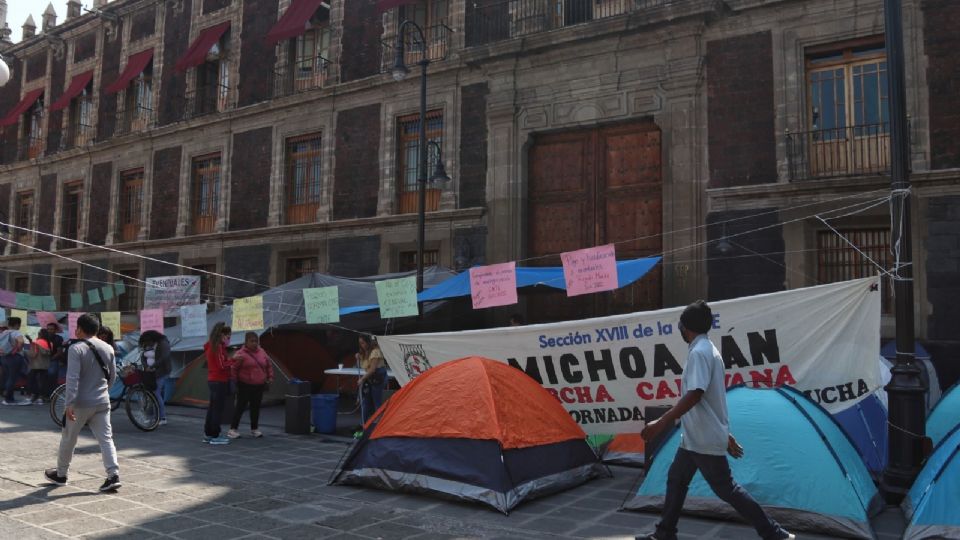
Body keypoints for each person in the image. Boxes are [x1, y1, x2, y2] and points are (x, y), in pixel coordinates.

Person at [637, 301, 794, 540]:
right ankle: (665, 533)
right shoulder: (707, 349)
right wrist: (725, 433)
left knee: (727, 489)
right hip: (695, 436)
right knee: (676, 479)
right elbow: (714, 400)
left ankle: (773, 533)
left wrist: (662, 422)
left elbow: (696, 393)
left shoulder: (700, 353)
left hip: (702, 438)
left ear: (685, 327)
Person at [44, 313, 121, 492]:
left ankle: (61, 474)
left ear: (80, 329)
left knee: (69, 438)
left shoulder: (76, 348)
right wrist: (103, 392)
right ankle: (113, 475)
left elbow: (72, 378)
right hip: (102, 402)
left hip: (80, 403)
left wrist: (69, 403)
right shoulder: (108, 347)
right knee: (106, 439)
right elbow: (112, 376)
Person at [227, 332, 273, 439]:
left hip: (259, 385)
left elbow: (268, 365)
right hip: (245, 384)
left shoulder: (262, 352)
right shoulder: (241, 354)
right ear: (246, 342)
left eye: (256, 341)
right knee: (240, 407)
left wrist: (270, 377)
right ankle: (232, 430)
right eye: (251, 341)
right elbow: (234, 368)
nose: (254, 343)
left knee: (255, 407)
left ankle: (254, 429)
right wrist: (235, 381)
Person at [203, 323, 233, 445]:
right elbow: (222, 365)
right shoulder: (218, 347)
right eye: (228, 336)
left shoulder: (210, 346)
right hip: (219, 380)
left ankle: (208, 434)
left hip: (213, 379)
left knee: (212, 409)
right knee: (217, 409)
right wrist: (233, 360)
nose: (229, 339)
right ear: (222, 335)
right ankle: (215, 434)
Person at [139, 330, 172, 426]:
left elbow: (164, 358)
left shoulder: (163, 343)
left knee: (156, 393)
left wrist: (152, 366)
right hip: (151, 372)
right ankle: (153, 416)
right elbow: (143, 356)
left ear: (152, 339)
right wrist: (146, 366)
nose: (146, 344)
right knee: (153, 394)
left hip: (161, 372)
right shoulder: (149, 345)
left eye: (147, 341)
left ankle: (162, 417)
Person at [357, 334, 386, 424]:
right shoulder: (365, 353)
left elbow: (372, 369)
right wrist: (358, 357)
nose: (362, 345)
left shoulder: (375, 351)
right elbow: (364, 367)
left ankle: (379, 425)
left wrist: (362, 379)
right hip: (370, 377)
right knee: (365, 401)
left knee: (377, 401)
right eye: (360, 343)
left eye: (363, 343)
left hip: (377, 378)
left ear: (368, 342)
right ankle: (364, 424)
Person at [1, 316, 28, 406]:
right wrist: (16, 350)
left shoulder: (4, 332)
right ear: (17, 324)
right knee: (12, 378)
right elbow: (20, 341)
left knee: (8, 377)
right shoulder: (16, 332)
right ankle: (8, 399)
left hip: (4, 357)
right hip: (14, 357)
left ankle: (8, 397)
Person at [26, 329, 53, 404]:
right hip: (45, 366)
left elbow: (33, 354)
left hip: (35, 365)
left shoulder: (37, 342)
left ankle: (31, 396)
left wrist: (26, 352)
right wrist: (30, 340)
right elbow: (46, 352)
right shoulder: (50, 343)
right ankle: (41, 398)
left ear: (40, 335)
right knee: (43, 382)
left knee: (32, 380)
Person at [46, 322, 66, 388]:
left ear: (55, 330)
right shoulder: (44, 337)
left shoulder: (59, 338)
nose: (49, 331)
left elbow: (59, 352)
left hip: (53, 361)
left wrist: (51, 359)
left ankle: (52, 393)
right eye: (48, 329)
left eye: (51, 329)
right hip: (43, 361)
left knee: (52, 376)